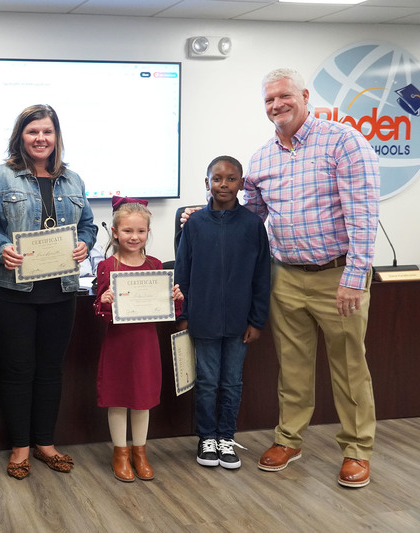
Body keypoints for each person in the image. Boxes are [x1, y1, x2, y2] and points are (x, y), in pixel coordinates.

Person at [183, 68, 379, 487]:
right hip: (285, 275)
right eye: (269, 100)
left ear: (305, 96)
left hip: (337, 274)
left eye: (284, 96)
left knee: (349, 366)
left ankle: (357, 449)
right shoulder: (262, 159)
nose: (277, 105)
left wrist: (355, 275)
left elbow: (364, 213)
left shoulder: (343, 142)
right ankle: (289, 439)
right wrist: (197, 216)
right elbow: (247, 218)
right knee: (291, 366)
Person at [0, 104, 97, 480]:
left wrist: (85, 245)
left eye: (47, 132)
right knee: (17, 370)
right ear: (20, 136)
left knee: (50, 370)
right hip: (11, 291)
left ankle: (45, 443)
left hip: (60, 290)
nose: (40, 138)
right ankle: (20, 447)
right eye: (32, 132)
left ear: (56, 137)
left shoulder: (73, 180)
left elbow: (87, 225)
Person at [174, 156, 270, 470]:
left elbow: (261, 276)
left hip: (240, 324)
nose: (224, 185)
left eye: (231, 179)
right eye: (217, 179)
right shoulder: (195, 224)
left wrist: (257, 320)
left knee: (231, 383)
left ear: (241, 184)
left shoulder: (253, 225)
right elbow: (183, 273)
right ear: (207, 183)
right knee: (206, 382)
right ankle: (207, 438)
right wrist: (184, 315)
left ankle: (226, 437)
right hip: (202, 320)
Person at [93, 197, 183, 482]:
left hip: (146, 344)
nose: (134, 237)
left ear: (148, 232)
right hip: (119, 344)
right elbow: (101, 313)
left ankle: (140, 452)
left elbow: (167, 313)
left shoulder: (156, 265)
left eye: (141, 231)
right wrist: (105, 301)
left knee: (142, 399)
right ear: (116, 233)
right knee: (118, 399)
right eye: (128, 231)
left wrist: (175, 299)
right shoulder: (108, 266)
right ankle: (120, 452)